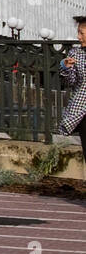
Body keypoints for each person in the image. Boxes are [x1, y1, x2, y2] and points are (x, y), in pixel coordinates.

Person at [55, 16, 86, 164]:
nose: (78, 37)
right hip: (82, 110)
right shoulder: (76, 54)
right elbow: (71, 82)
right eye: (78, 32)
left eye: (82, 33)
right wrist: (66, 68)